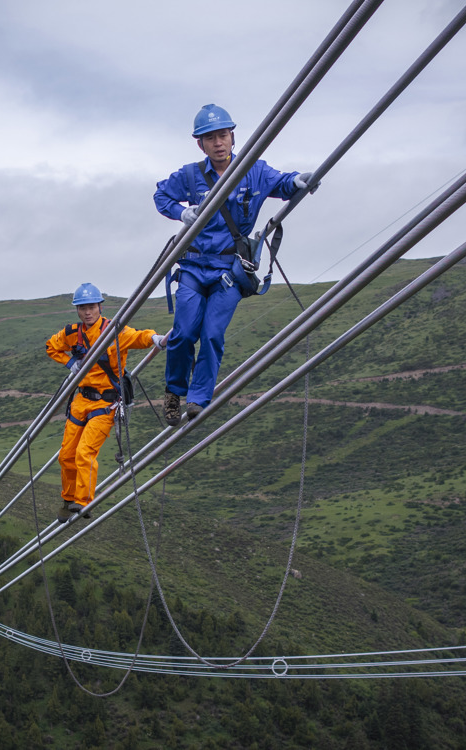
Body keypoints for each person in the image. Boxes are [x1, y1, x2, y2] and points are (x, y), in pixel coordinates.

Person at [153, 103, 318, 425]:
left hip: (230, 269)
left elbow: (283, 183)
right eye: (210, 138)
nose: (218, 143)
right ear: (200, 143)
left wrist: (301, 179)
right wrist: (181, 212)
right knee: (184, 333)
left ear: (232, 137)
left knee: (212, 334)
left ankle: (198, 399)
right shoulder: (190, 175)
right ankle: (174, 390)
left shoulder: (253, 170)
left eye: (223, 136)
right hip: (194, 266)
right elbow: (162, 195)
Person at [46, 283, 166, 520]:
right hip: (81, 401)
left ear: (100, 307)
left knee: (84, 452)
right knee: (66, 455)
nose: (87, 312)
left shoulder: (114, 331)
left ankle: (83, 502)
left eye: (91, 307)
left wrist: (156, 338)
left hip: (105, 403)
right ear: (77, 310)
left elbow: (137, 337)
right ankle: (68, 499)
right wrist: (70, 364)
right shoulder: (72, 333)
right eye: (82, 308)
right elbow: (52, 346)